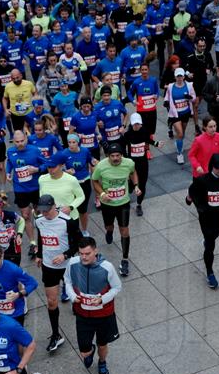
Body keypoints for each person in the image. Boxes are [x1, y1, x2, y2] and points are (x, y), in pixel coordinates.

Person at [64, 236, 122, 374]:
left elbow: (117, 287)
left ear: (95, 251)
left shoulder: (107, 267)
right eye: (81, 253)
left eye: (87, 253)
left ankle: (102, 362)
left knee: (102, 345)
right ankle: (90, 351)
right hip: (82, 314)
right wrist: (72, 296)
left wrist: (102, 299)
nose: (83, 257)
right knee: (84, 351)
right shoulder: (72, 263)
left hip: (104, 315)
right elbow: (67, 280)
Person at [186, 154, 219, 289]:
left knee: (213, 237)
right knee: (210, 245)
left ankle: (207, 241)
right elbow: (192, 192)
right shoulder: (202, 180)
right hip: (206, 218)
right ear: (212, 166)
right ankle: (210, 273)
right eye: (217, 168)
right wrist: (200, 208)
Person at [34, 194, 80, 352]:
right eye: (42, 211)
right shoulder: (39, 220)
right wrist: (39, 254)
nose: (45, 213)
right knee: (52, 301)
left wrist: (65, 255)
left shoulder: (67, 222)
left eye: (47, 210)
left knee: (76, 296)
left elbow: (79, 242)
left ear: (54, 206)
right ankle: (56, 334)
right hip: (49, 266)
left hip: (67, 266)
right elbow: (41, 238)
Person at [92, 143, 142, 277]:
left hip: (123, 203)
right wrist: (102, 194)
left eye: (118, 156)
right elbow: (95, 181)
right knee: (109, 227)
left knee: (124, 230)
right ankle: (109, 231)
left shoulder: (129, 163)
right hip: (107, 204)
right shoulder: (101, 166)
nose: (115, 158)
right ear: (108, 156)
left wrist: (136, 185)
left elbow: (133, 173)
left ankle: (125, 260)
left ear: (122, 155)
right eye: (112, 156)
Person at [6, 130, 47, 257]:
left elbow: (46, 164)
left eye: (22, 141)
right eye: (17, 142)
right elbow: (9, 162)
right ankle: (33, 242)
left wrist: (37, 169)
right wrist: (8, 172)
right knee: (25, 215)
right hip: (20, 189)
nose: (20, 144)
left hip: (35, 187)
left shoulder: (34, 150)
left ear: (26, 139)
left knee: (39, 214)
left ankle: (43, 238)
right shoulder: (11, 151)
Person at [122, 114, 163, 217]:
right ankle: (130, 188)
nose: (137, 126)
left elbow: (149, 140)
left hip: (143, 163)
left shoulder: (144, 131)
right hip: (132, 164)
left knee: (142, 184)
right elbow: (123, 149)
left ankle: (139, 204)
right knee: (131, 184)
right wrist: (126, 159)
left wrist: (157, 143)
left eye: (138, 124)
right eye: (135, 124)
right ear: (131, 124)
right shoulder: (128, 135)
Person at [164, 67, 197, 165]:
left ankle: (179, 143)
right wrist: (166, 102)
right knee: (180, 133)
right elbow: (167, 96)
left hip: (185, 112)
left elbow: (194, 97)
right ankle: (179, 154)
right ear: (175, 77)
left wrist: (190, 97)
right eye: (178, 76)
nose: (179, 78)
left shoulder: (189, 85)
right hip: (175, 114)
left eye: (181, 76)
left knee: (182, 133)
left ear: (184, 76)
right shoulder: (170, 86)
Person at [2, 69, 36, 134]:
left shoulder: (29, 84)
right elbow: (4, 98)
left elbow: (35, 94)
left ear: (21, 75)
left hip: (28, 113)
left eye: (17, 78)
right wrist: (6, 109)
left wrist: (35, 106)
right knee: (19, 134)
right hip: (15, 115)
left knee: (30, 134)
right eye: (13, 78)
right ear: (11, 78)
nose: (16, 80)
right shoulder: (8, 86)